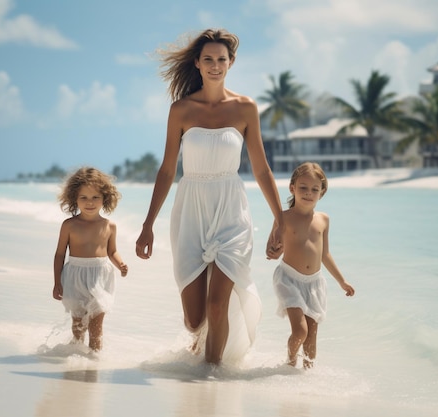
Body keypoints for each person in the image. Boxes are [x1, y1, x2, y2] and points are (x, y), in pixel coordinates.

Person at [135, 28, 283, 365]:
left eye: (221, 59)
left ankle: (210, 378)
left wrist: (281, 220)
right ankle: (201, 346)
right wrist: (147, 225)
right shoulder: (181, 110)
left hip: (231, 211)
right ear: (198, 64)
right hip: (191, 212)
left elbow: (261, 170)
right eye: (208, 60)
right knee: (195, 320)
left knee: (218, 305)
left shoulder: (245, 108)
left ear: (231, 62)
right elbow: (167, 170)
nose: (215, 65)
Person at [266, 162, 354, 368]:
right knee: (300, 331)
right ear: (292, 188)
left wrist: (342, 281)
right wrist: (273, 251)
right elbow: (271, 250)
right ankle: (289, 363)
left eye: (315, 189)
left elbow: (325, 254)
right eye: (303, 187)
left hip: (314, 284)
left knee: (311, 343)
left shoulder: (323, 220)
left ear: (321, 193)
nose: (308, 193)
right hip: (288, 279)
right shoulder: (283, 218)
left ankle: (307, 382)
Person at [53, 167, 128, 352]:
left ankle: (94, 361)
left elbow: (112, 251)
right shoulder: (69, 225)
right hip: (75, 276)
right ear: (74, 199)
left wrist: (120, 264)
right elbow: (60, 254)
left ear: (105, 198)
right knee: (79, 326)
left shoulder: (109, 226)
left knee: (96, 326)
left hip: (100, 277)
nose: (90, 203)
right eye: (83, 198)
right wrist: (57, 282)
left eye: (95, 197)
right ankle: (76, 355)